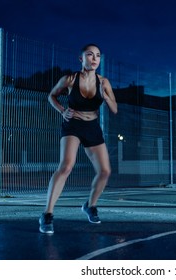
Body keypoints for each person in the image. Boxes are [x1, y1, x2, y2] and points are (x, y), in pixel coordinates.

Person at [39, 43, 118, 234]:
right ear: (81, 58)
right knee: (66, 166)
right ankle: (47, 214)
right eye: (90, 55)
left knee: (105, 171)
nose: (94, 59)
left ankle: (90, 206)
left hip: (92, 127)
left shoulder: (104, 82)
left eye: (98, 55)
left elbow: (115, 109)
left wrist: (106, 97)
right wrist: (62, 110)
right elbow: (51, 96)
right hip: (73, 124)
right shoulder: (69, 79)